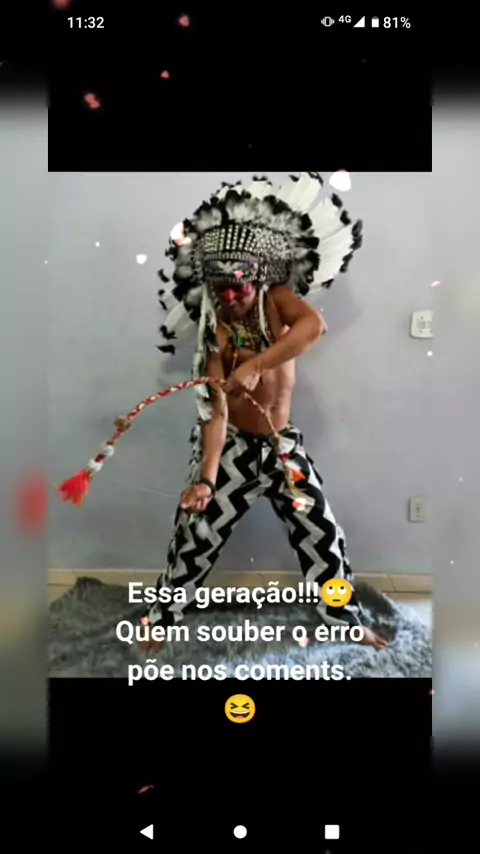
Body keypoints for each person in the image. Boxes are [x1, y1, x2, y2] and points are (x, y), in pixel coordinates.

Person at [140, 172, 387, 652]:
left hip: (282, 446)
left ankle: (344, 618)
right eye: (223, 290)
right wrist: (206, 480)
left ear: (257, 278)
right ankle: (162, 616)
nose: (232, 298)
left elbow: (314, 327)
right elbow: (215, 412)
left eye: (240, 288)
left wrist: (256, 364)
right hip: (231, 449)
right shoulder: (215, 329)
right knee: (195, 533)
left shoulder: (277, 301)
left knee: (321, 534)